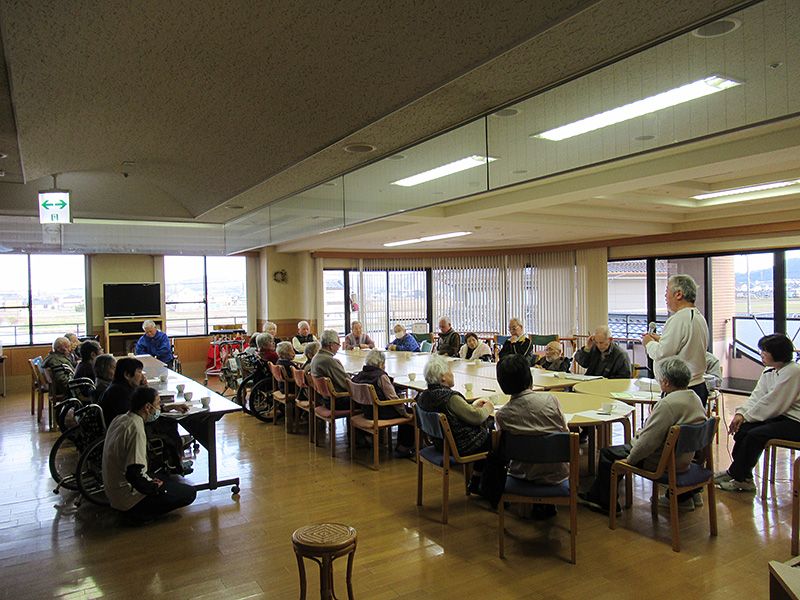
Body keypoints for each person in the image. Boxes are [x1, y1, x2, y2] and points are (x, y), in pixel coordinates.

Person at [577, 356, 706, 514]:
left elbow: (647, 443)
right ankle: (596, 496)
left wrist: (630, 460)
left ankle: (605, 502)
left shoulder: (668, 404)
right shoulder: (695, 398)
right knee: (616, 452)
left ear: (665, 381)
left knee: (607, 454)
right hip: (683, 458)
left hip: (661, 460)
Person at [716, 334, 800, 492]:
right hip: (781, 417)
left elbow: (774, 402)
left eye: (765, 351)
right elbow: (757, 396)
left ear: (778, 353)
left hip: (796, 422)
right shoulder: (770, 370)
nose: (762, 354)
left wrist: (747, 416)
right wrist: (741, 414)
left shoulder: (793, 371)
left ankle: (735, 474)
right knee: (744, 429)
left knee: (756, 435)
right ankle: (744, 477)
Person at [102, 386, 196, 524]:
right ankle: (141, 515)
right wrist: (153, 488)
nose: (158, 408)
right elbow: (134, 473)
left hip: (113, 491)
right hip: (128, 501)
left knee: (164, 478)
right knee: (189, 493)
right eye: (157, 404)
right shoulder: (136, 429)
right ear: (148, 407)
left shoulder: (121, 418)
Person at [495, 354, 569, 518]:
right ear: (530, 379)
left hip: (521, 474)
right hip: (556, 473)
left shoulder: (502, 415)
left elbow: (503, 448)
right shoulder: (551, 400)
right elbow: (565, 434)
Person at [416, 355, 494, 491]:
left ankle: (476, 481)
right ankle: (490, 488)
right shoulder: (450, 398)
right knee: (494, 438)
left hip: (441, 443)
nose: (453, 374)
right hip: (461, 445)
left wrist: (471, 406)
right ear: (443, 377)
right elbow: (477, 418)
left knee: (486, 438)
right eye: (450, 371)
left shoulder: (424, 396)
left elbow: (458, 412)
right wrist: (488, 408)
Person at [643, 274, 709, 406]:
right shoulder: (698, 317)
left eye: (667, 291)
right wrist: (662, 339)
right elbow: (685, 346)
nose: (665, 297)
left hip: (680, 389)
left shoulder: (678, 319)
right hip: (697, 385)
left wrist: (648, 342)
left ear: (678, 294)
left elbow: (661, 352)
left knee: (674, 426)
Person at [351, 349, 415, 457]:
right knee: (411, 411)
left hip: (367, 411)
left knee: (404, 408)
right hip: (381, 411)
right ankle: (404, 447)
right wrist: (405, 413)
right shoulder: (381, 377)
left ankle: (399, 444)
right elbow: (393, 399)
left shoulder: (360, 375)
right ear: (381, 364)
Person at [310, 329, 350, 410]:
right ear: (332, 345)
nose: (338, 348)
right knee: (367, 399)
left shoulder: (316, 357)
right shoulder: (328, 361)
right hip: (336, 400)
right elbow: (346, 383)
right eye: (338, 345)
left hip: (325, 399)